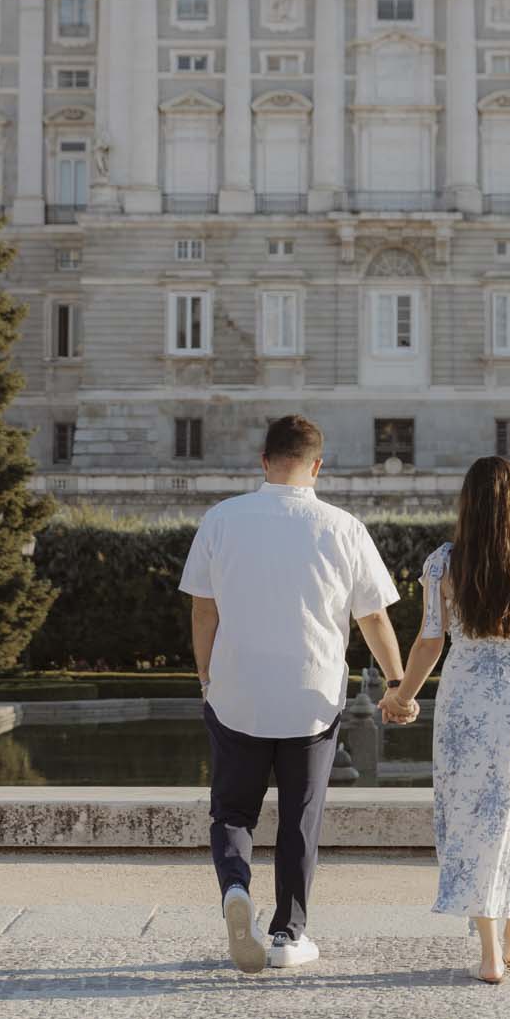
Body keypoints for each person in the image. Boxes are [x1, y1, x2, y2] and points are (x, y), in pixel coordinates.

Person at [179, 414, 405, 974]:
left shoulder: (222, 519)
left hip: (237, 693)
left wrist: (206, 676)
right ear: (318, 467)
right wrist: (398, 683)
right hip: (312, 697)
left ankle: (236, 888)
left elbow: (203, 609)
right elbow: (373, 615)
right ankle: (288, 933)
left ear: (263, 461)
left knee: (232, 811)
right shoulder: (343, 526)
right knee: (300, 818)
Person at [384, 455, 510, 985]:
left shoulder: (443, 563)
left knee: (472, 817)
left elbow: (429, 641)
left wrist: (401, 696)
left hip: (466, 695)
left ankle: (489, 952)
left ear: (467, 503)